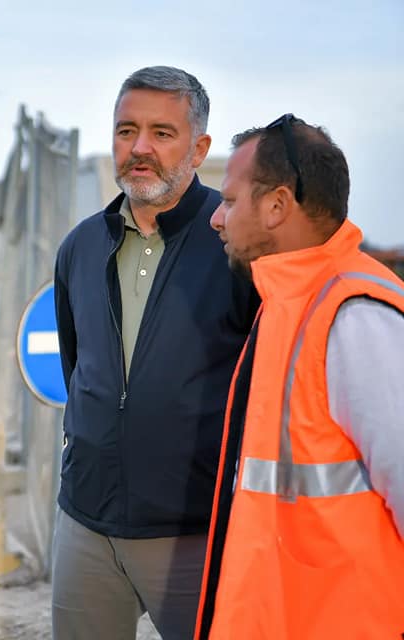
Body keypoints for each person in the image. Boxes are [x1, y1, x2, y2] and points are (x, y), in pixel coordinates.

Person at [51, 66, 259, 639]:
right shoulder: (80, 246)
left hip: (196, 530)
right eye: (126, 130)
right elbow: (80, 368)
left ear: (200, 147)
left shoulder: (235, 243)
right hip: (86, 525)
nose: (140, 148)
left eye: (162, 133)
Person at [195, 115, 404, 638]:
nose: (216, 219)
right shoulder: (288, 305)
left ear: (277, 206)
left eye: (230, 200)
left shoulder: (355, 316)